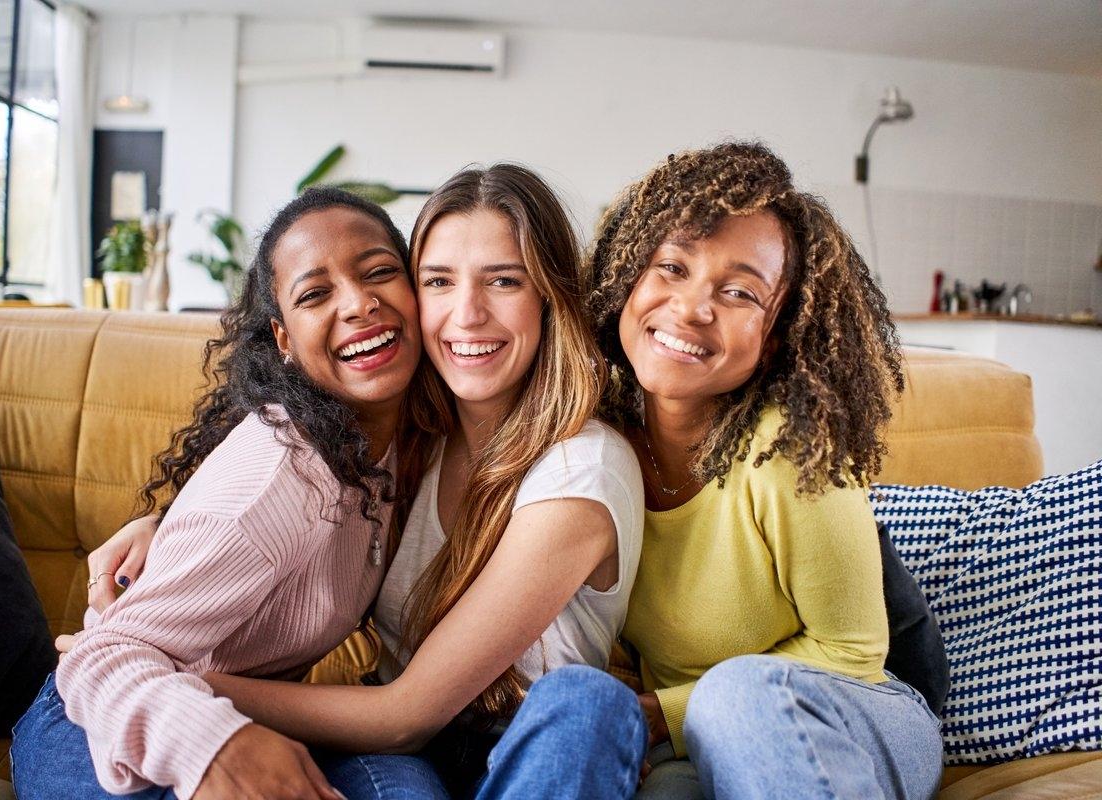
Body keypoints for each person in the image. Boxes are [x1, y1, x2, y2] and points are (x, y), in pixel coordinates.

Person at [70, 164, 647, 799]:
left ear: (550, 295)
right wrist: (173, 525)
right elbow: (259, 499)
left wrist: (175, 680)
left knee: (588, 703)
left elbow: (404, 716)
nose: (468, 313)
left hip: (480, 745)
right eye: (439, 281)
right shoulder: (409, 439)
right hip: (365, 746)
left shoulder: (579, 469)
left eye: (504, 281)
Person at [10, 187, 423, 800]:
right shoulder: (283, 479)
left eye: (381, 272)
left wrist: (165, 524)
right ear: (285, 341)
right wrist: (214, 744)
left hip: (256, 713)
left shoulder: (409, 436)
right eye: (315, 294)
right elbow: (100, 658)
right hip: (100, 716)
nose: (360, 303)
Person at [586, 141, 944, 799]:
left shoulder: (787, 448)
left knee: (737, 693)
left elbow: (853, 653)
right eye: (671, 267)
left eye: (739, 291)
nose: (693, 307)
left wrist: (666, 711)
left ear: (774, 336)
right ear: (627, 276)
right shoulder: (591, 446)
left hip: (855, 717)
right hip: (694, 744)